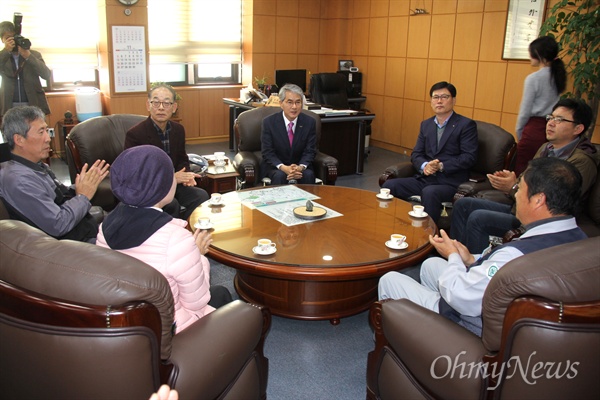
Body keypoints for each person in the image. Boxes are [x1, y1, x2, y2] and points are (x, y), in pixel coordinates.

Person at [379, 157, 587, 336]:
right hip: (503, 308)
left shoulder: (513, 255)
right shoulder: (582, 241)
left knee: (390, 279)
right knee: (431, 264)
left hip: (471, 323)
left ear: (539, 200)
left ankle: (412, 341)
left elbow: (462, 296)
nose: (515, 195)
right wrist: (470, 259)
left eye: (520, 188)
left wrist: (452, 256)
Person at [96, 145, 232, 333]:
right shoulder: (177, 240)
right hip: (170, 332)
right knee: (222, 295)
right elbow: (197, 302)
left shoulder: (105, 227)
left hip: (128, 324)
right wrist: (198, 255)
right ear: (161, 185)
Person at [451, 98, 598, 253]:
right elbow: (527, 178)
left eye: (560, 120)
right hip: (520, 207)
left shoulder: (582, 161)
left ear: (578, 128)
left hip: (538, 220)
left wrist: (513, 187)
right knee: (463, 205)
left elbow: (556, 202)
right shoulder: (546, 148)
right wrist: (512, 180)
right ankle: (456, 256)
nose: (551, 123)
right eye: (551, 117)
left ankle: (476, 269)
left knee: (478, 218)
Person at [0, 106, 109, 242]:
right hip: (71, 247)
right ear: (19, 139)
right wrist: (83, 196)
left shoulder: (34, 166)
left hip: (83, 231)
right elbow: (58, 224)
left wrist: (86, 183)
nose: (48, 138)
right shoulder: (19, 180)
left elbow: (59, 197)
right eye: (41, 132)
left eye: (47, 130)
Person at [382, 81, 478, 222]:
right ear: (431, 101)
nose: (439, 101)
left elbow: (469, 157)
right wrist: (425, 165)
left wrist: (441, 166)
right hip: (426, 178)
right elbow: (416, 154)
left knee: (430, 192)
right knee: (389, 186)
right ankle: (394, 226)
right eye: (435, 97)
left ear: (454, 100)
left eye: (444, 97)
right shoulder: (426, 124)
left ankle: (429, 238)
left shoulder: (465, 125)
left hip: (450, 182)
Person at [125, 84, 209, 220]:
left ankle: (187, 230)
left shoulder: (178, 130)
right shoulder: (135, 134)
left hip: (175, 185)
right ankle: (170, 236)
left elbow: (182, 158)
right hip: (150, 189)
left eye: (166, 103)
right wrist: (170, 179)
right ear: (148, 105)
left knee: (201, 196)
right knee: (171, 204)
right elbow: (135, 173)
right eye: (156, 102)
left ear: (174, 107)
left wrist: (186, 175)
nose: (161, 108)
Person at [514, 36, 566, 176]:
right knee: (543, 173)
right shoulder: (557, 75)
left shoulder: (534, 78)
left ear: (539, 54)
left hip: (533, 130)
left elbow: (525, 111)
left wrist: (520, 133)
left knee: (524, 174)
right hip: (551, 127)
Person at [261, 83, 317, 185]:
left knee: (308, 175)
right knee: (280, 176)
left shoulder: (309, 122)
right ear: (281, 103)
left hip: (299, 166)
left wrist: (300, 167)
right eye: (290, 102)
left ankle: (308, 201)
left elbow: (310, 150)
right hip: (276, 166)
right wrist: (283, 167)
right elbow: (267, 152)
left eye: (298, 102)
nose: (294, 107)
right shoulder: (269, 122)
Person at [0, 20, 51, 117]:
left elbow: (46, 74)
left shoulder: (34, 54)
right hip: (9, 105)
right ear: (2, 40)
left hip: (33, 103)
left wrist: (28, 56)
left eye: (13, 37)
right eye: (7, 38)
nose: (12, 41)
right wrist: (6, 52)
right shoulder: (3, 56)